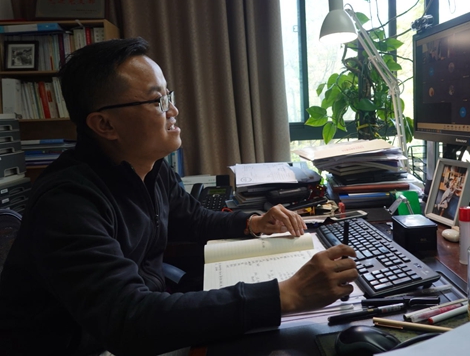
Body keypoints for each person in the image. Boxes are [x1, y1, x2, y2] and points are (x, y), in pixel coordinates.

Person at [0, 37, 358, 355]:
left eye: (168, 96)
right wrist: (287, 294)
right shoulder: (67, 203)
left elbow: (192, 218)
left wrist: (253, 223)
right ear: (104, 125)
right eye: (157, 101)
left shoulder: (149, 167)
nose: (172, 110)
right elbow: (128, 319)